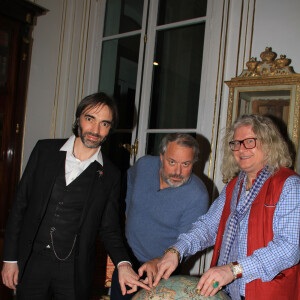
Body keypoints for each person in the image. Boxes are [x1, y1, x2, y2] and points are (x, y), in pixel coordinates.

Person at [1, 92, 148, 299]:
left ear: (110, 129)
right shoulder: (44, 150)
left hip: (73, 271)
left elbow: (110, 229)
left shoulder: (111, 175)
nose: (95, 130)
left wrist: (123, 264)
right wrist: (9, 258)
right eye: (90, 119)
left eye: (104, 124)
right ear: (78, 118)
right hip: (33, 262)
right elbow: (20, 206)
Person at [140, 114, 300, 300]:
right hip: (230, 292)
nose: (242, 149)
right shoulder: (234, 187)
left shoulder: (289, 185)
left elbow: (290, 248)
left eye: (249, 141)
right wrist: (176, 251)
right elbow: (208, 227)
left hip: (270, 293)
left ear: (269, 143)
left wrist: (234, 270)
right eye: (236, 143)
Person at [111, 133, 209, 299]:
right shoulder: (144, 166)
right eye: (172, 162)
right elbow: (128, 184)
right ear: (161, 157)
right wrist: (125, 215)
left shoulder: (197, 195)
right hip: (126, 261)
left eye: (186, 164)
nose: (178, 172)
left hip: (162, 271)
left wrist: (158, 261)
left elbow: (187, 242)